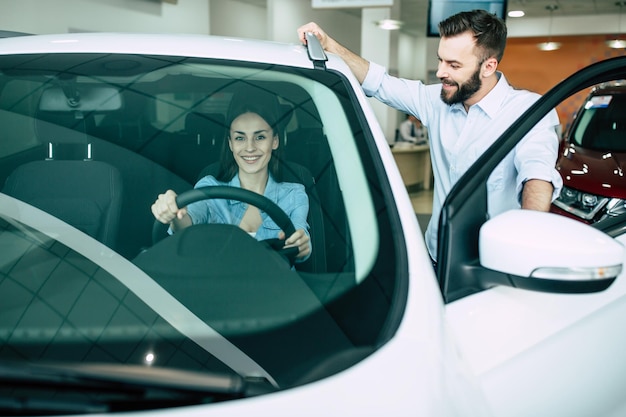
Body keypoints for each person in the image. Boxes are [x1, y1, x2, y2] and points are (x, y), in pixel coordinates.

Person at [298, 9, 562, 264]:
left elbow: (537, 176)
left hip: (493, 262)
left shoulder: (529, 111)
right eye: (440, 60)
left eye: (453, 65)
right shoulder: (436, 101)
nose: (440, 72)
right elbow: (379, 82)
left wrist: (528, 243)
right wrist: (329, 44)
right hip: (437, 254)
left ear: (488, 66)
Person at [151, 96, 311, 262]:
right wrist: (173, 211)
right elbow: (187, 222)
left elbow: (300, 235)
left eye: (260, 137)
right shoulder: (209, 187)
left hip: (277, 286)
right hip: (216, 285)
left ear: (275, 141)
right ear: (230, 144)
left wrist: (301, 244)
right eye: (240, 138)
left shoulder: (293, 194)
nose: (250, 148)